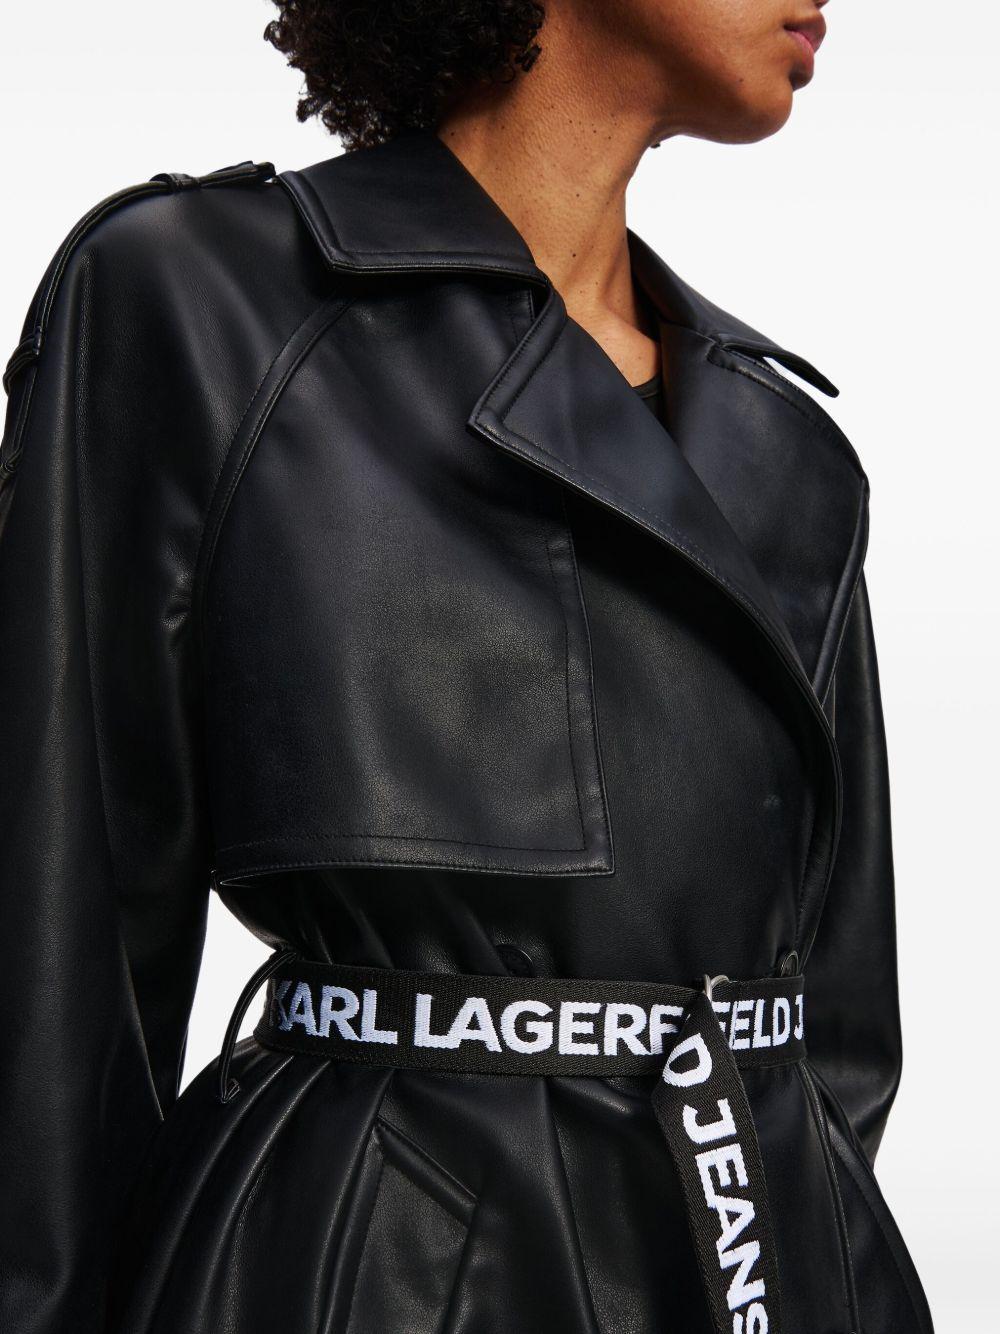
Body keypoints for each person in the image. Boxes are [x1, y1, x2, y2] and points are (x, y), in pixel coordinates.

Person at [0, 2, 935, 1331]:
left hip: (757, 1260)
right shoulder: (204, 300)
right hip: (367, 1269)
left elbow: (837, 1027)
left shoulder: (787, 449)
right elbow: (57, 946)